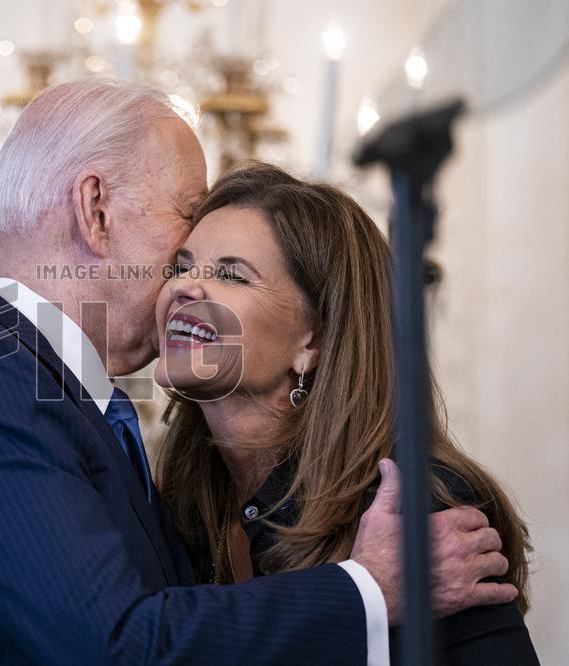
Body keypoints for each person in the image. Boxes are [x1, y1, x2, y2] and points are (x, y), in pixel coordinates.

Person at [0, 78, 517, 664]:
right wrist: (368, 589)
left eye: (229, 270)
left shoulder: (78, 409)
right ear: (97, 211)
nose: (184, 280)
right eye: (188, 218)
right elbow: (122, 646)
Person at [155, 161, 538, 663]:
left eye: (230, 274)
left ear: (313, 341)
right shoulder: (176, 505)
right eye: (182, 267)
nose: (185, 287)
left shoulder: (416, 505)